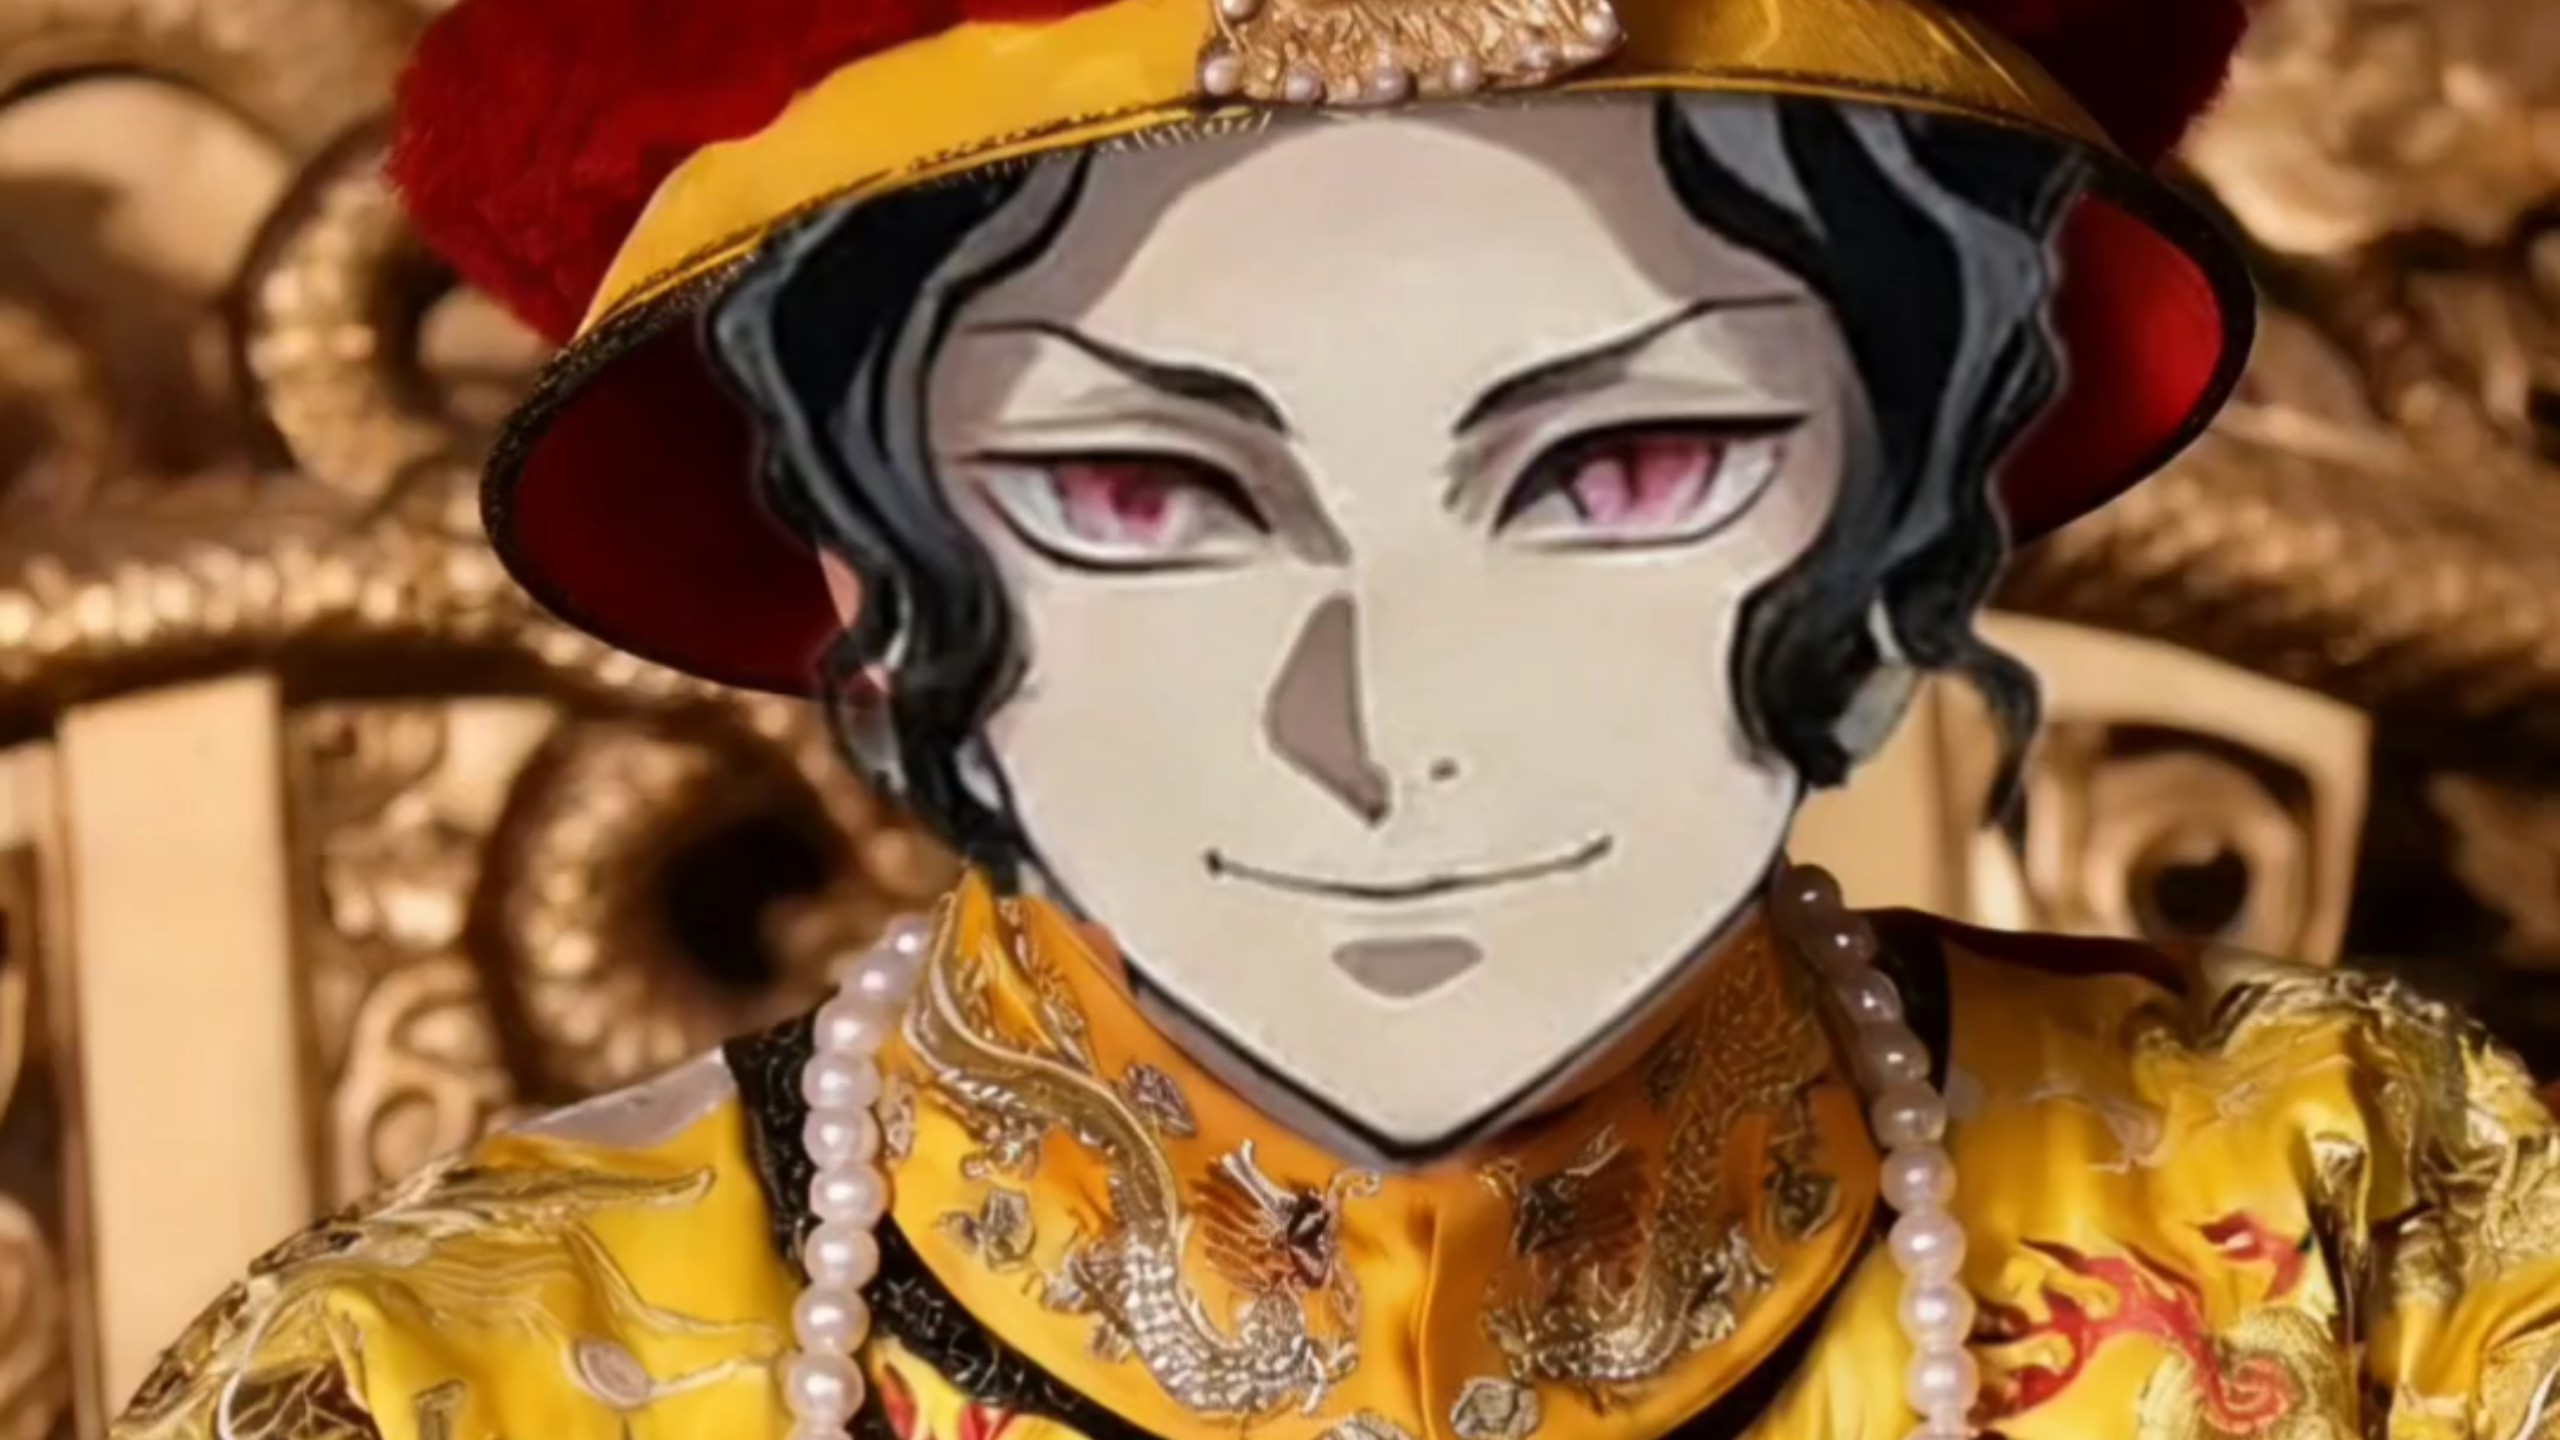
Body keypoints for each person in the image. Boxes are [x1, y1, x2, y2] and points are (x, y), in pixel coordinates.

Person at [104, 0, 2560, 1436]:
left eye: (1622, 464)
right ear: (851, 558)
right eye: (1143, 490)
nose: (1391, 731)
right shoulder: (432, 1393)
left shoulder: (2363, 1233)